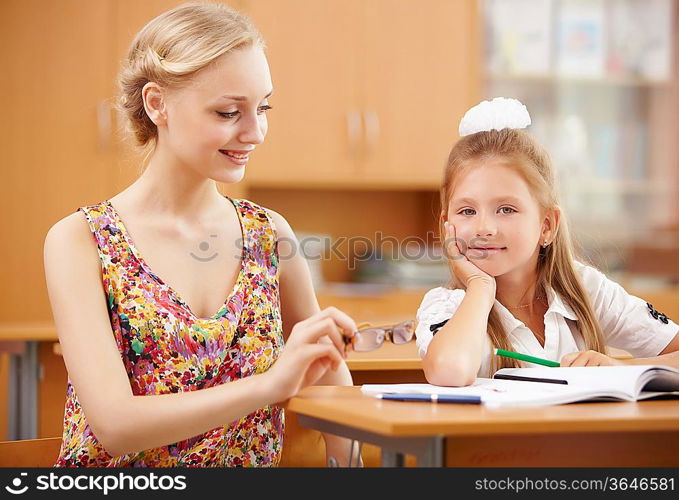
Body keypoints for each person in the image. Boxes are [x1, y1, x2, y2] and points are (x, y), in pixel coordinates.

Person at [43, 2, 361, 467]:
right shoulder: (80, 241)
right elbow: (114, 426)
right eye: (229, 112)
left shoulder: (269, 235)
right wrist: (270, 385)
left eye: (263, 107)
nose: (255, 132)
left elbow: (329, 384)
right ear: (157, 104)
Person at [415, 97, 679, 387]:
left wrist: (619, 368)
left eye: (506, 209)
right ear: (447, 226)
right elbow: (449, 372)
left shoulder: (585, 290)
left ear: (547, 225)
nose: (484, 228)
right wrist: (480, 286)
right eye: (467, 211)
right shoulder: (447, 306)